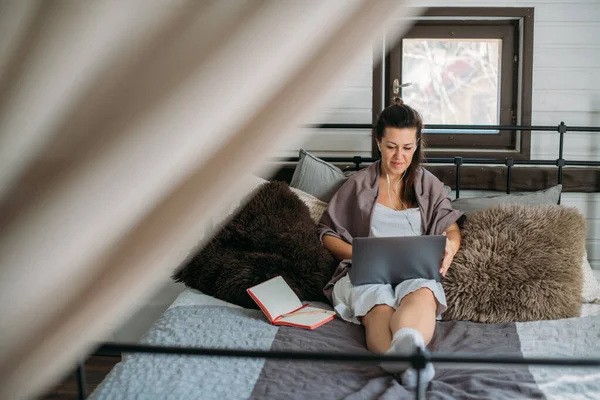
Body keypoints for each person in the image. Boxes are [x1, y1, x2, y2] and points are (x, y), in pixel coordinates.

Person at [317, 101, 464, 388]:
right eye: (391, 146)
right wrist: (359, 255)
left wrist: (451, 247)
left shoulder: (428, 184)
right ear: (378, 143)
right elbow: (327, 233)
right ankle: (411, 364)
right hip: (367, 274)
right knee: (379, 305)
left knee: (422, 293)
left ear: (417, 144)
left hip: (415, 273)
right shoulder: (358, 185)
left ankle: (406, 351)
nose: (399, 156)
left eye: (407, 148)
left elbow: (451, 227)